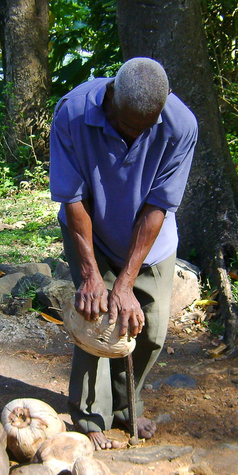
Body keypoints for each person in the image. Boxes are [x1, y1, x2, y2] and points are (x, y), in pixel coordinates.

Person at [49, 57, 198, 450]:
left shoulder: (181, 126)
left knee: (151, 328)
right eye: (125, 124)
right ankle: (88, 415)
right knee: (96, 319)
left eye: (142, 129)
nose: (132, 134)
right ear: (110, 95)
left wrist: (127, 281)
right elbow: (72, 198)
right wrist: (93, 277)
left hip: (151, 241)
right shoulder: (73, 112)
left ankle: (126, 406)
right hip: (90, 232)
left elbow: (158, 206)